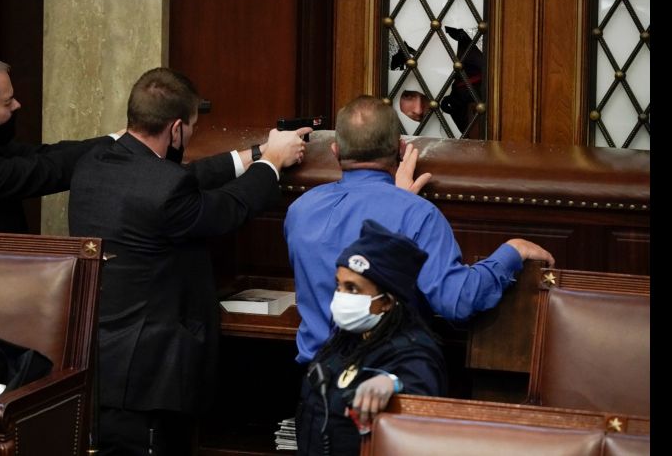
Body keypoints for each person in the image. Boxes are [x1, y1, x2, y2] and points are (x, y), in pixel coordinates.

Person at [67, 67, 307, 455]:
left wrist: (255, 154)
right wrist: (272, 165)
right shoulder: (165, 189)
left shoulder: (95, 162)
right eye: (192, 127)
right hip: (149, 375)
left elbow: (179, 176)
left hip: (98, 359)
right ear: (176, 128)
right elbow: (227, 208)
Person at [284, 94, 555, 365]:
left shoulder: (300, 210)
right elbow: (457, 301)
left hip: (316, 384)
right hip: (388, 384)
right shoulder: (416, 214)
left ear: (336, 151)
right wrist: (512, 251)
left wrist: (398, 199)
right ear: (401, 149)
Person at [296, 219, 447, 456]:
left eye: (353, 289)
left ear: (386, 302)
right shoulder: (347, 339)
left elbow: (420, 388)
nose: (341, 297)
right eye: (339, 286)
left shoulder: (414, 349)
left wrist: (391, 382)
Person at [0, 54, 117, 233]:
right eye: (7, 102)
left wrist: (113, 139)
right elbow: (46, 170)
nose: (17, 105)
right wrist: (125, 142)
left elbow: (38, 154)